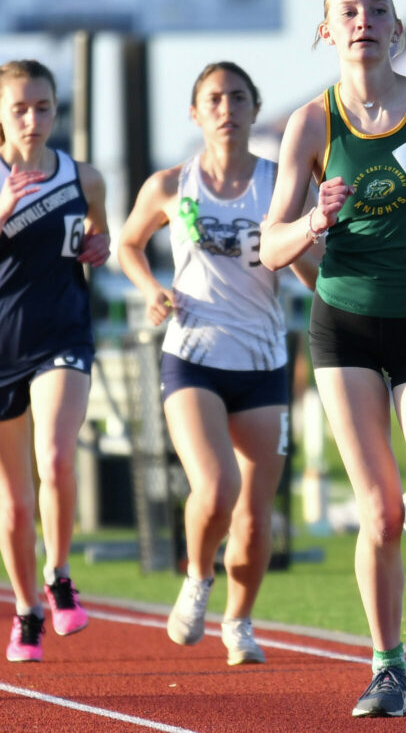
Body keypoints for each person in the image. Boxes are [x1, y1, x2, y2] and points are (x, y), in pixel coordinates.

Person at [260, 0, 406, 718]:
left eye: (378, 10)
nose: (364, 21)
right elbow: (270, 246)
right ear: (327, 31)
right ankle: (388, 668)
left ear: (396, 29)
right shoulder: (310, 124)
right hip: (346, 324)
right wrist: (313, 223)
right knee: (381, 513)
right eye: (348, 12)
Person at [118, 61, 320, 666]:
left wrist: (305, 246)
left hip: (261, 360)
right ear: (195, 112)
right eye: (213, 99)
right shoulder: (169, 185)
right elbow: (128, 243)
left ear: (254, 109)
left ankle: (240, 622)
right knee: (216, 487)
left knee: (256, 517)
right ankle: (197, 577)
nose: (226, 108)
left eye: (237, 97)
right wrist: (151, 288)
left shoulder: (280, 185)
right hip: (193, 355)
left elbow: (314, 272)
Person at [0, 59, 109, 662]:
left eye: (43, 107)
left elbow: (97, 236)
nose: (32, 119)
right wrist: (0, 211)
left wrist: (99, 246)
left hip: (62, 336)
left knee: (57, 456)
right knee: (13, 502)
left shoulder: (84, 177)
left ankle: (59, 575)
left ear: (56, 110)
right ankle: (25, 610)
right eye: (19, 109)